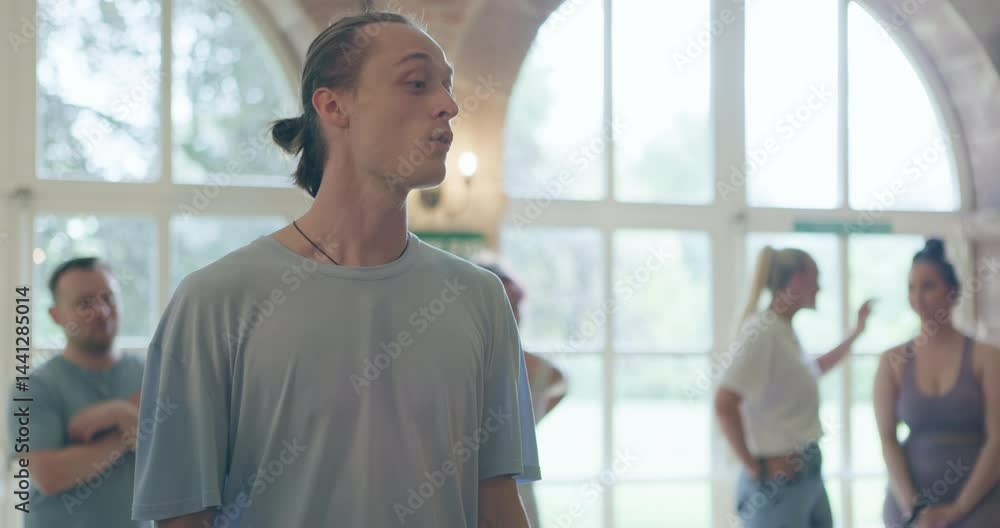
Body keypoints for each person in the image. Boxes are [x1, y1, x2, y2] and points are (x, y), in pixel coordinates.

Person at [131, 12, 539, 528]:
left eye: (447, 86)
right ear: (333, 105)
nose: (449, 105)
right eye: (417, 83)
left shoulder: (479, 298)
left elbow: (498, 503)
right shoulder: (215, 301)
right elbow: (183, 518)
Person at [714, 246, 872, 528]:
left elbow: (815, 369)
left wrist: (856, 333)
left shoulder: (783, 330)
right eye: (815, 277)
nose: (820, 287)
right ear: (797, 280)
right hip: (778, 483)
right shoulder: (762, 331)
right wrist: (755, 468)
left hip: (805, 473)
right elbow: (724, 403)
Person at [6, 257, 145, 528]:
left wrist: (127, 421)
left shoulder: (153, 376)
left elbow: (179, 460)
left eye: (108, 298)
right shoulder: (32, 388)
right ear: (56, 315)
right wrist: (126, 422)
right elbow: (48, 475)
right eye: (84, 303)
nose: (101, 310)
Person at [875, 239, 1000, 528]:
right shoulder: (893, 361)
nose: (918, 297)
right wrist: (914, 509)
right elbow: (887, 438)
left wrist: (959, 509)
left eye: (928, 286)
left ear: (952, 292)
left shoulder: (987, 357)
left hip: (980, 503)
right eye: (911, 287)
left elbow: (998, 438)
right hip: (910, 504)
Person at [472, 254, 568, 527]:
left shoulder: (530, 366)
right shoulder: (465, 364)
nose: (513, 316)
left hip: (512, 491)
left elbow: (560, 382)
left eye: (514, 308)